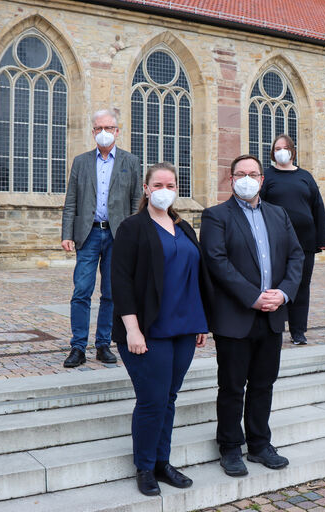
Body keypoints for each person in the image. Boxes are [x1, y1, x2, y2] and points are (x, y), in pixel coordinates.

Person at [111, 162, 212, 496]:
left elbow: (193, 277)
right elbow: (120, 282)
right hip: (146, 329)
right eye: (158, 184)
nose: (164, 189)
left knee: (169, 397)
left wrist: (200, 322)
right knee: (152, 399)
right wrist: (132, 330)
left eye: (170, 184)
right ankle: (144, 466)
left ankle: (161, 461)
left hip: (183, 327)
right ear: (146, 188)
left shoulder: (184, 227)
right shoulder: (132, 227)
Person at [200, 154, 304, 477]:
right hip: (236, 316)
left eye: (253, 173)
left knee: (263, 383)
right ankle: (230, 446)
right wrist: (253, 297)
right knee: (232, 386)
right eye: (241, 173)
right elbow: (217, 262)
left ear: (262, 179)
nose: (247, 178)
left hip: (272, 316)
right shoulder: (216, 216)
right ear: (231, 180)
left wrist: (282, 293)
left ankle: (260, 443)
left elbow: (296, 256)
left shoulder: (279, 214)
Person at [61, 109, 142, 368]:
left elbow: (135, 203)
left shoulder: (131, 162)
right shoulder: (81, 161)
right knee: (81, 291)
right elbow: (71, 200)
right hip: (88, 233)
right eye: (99, 128)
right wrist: (67, 234)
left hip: (118, 236)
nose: (104, 132)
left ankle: (104, 344)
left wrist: (134, 237)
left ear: (117, 131)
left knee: (111, 292)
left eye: (109, 128)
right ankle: (78, 346)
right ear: (93, 131)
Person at [259, 134, 325, 345]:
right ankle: (275, 328)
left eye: (285, 147)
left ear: (292, 151)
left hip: (305, 241)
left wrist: (321, 240)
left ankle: (298, 331)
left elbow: (317, 206)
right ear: (273, 152)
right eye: (277, 147)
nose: (281, 151)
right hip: (276, 240)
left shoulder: (305, 176)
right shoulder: (266, 177)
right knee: (277, 283)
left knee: (301, 285)